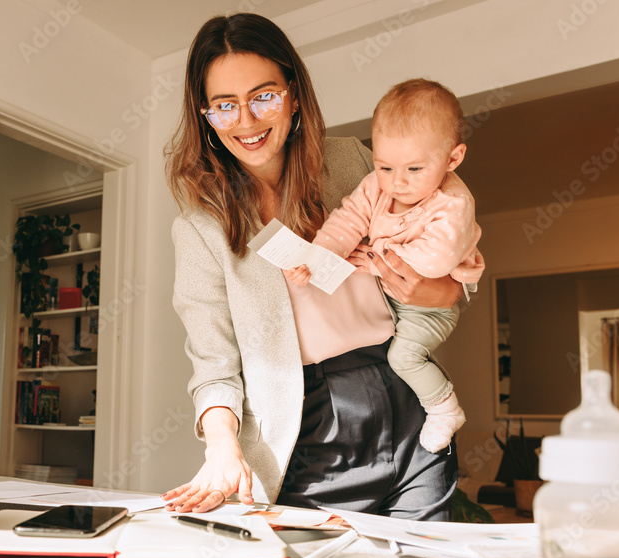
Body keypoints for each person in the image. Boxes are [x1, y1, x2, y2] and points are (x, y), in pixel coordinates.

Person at [161, 13, 463, 519]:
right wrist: (221, 445)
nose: (247, 120)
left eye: (264, 96)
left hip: (405, 395)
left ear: (294, 94)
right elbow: (213, 362)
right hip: (308, 426)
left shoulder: (354, 162)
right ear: (206, 116)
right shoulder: (201, 228)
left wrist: (444, 292)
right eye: (224, 106)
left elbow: (442, 226)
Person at [288, 79, 484, 453]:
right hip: (389, 301)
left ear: (453, 159)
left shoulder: (453, 204)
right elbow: (349, 220)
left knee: (403, 356)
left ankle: (444, 408)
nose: (398, 182)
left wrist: (375, 263)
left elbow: (435, 259)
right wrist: (319, 256)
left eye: (413, 169)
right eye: (385, 166)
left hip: (426, 310)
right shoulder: (377, 186)